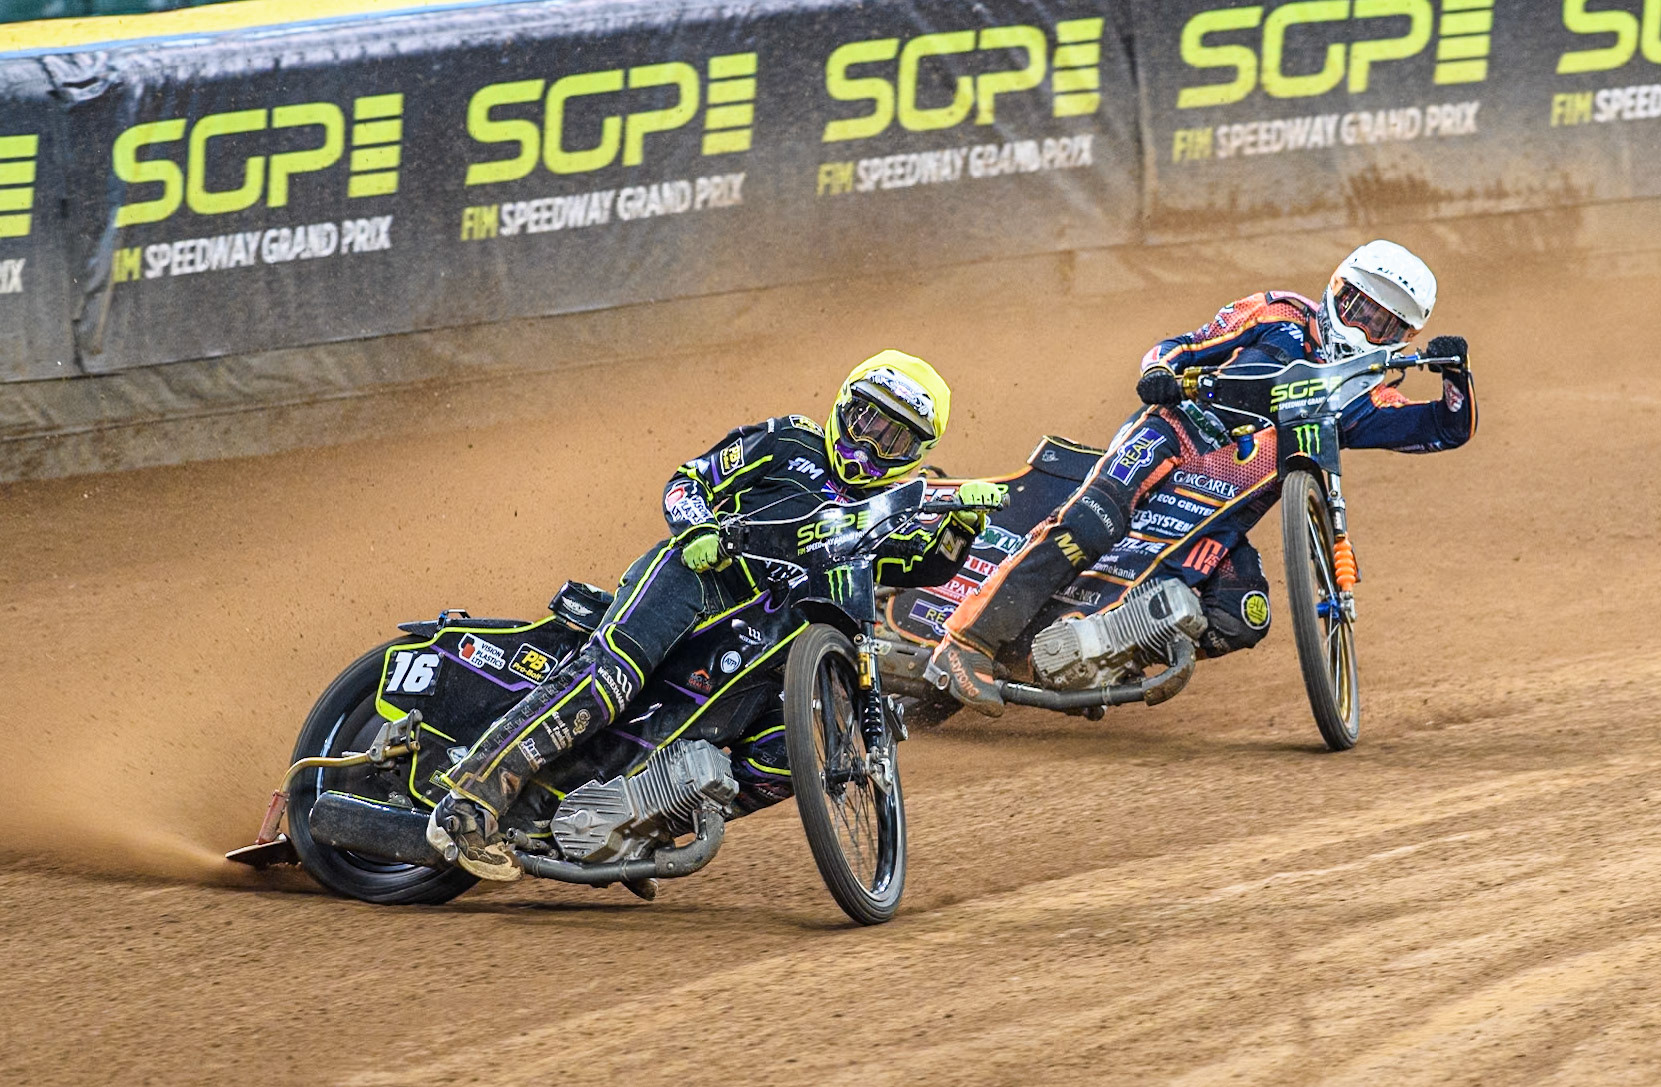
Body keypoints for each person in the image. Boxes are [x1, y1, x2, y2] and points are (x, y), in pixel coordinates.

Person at [428, 349, 1009, 879]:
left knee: (767, 753)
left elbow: (915, 566)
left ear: (918, 456)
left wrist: (956, 533)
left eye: (894, 440)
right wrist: (697, 528)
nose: (871, 444)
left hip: (766, 641)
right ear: (841, 406)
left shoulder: (889, 507)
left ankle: (634, 829)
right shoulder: (789, 441)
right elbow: (687, 481)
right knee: (610, 683)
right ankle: (470, 798)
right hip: (696, 581)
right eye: (866, 421)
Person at [928, 240, 1477, 716]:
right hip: (1174, 433)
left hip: (1223, 511)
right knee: (1089, 522)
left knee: (1245, 614)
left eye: (1384, 324)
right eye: (1357, 306)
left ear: (1403, 335)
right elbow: (1183, 344)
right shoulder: (1278, 313)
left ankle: (1097, 655)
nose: (1364, 327)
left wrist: (1456, 374)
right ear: (1337, 289)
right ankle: (967, 641)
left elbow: (1446, 427)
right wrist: (1160, 373)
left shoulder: (1365, 397)